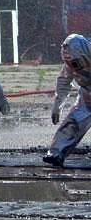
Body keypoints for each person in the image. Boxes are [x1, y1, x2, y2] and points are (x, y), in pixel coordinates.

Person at [43, 33, 91, 167]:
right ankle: (56, 153)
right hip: (87, 96)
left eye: (74, 62)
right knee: (73, 122)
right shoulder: (70, 64)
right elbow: (64, 82)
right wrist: (57, 106)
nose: (73, 66)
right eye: (69, 63)